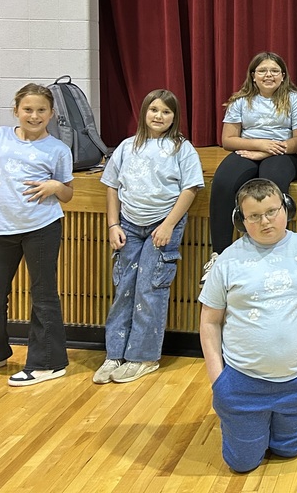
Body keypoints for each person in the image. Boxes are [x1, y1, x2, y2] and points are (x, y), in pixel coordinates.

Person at [199, 178, 297, 474]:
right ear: (241, 219)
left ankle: (274, 429)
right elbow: (209, 321)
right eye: (255, 216)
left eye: (272, 211)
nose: (266, 221)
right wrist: (218, 382)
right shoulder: (228, 261)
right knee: (243, 463)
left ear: (286, 208)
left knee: (290, 451)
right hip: (241, 384)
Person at [0, 83, 74, 386]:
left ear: (51, 114)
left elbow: (68, 192)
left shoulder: (58, 149)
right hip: (3, 228)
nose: (34, 116)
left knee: (43, 296)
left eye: (41, 110)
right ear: (16, 110)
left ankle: (48, 362)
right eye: (28, 109)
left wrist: (55, 187)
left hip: (43, 228)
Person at [93, 89, 204, 384]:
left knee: (149, 289)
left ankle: (143, 357)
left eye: (166, 112)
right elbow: (112, 186)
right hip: (129, 225)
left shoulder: (182, 148)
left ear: (174, 117)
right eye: (154, 109)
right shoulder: (127, 147)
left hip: (162, 225)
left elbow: (190, 188)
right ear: (144, 112)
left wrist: (168, 225)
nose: (159, 116)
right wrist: (113, 224)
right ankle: (114, 354)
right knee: (124, 288)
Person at [201, 52, 297, 286]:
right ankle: (219, 254)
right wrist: (259, 145)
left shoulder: (294, 99)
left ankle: (270, 251)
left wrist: (268, 151)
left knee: (270, 184)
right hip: (249, 149)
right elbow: (228, 139)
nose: (268, 75)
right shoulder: (241, 100)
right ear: (253, 76)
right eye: (262, 71)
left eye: (274, 71)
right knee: (224, 182)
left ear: (283, 76)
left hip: (283, 152)